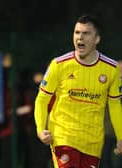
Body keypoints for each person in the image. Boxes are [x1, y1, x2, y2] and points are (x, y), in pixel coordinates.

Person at [34, 15, 122, 168]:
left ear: (97, 39)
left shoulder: (111, 69)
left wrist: (121, 136)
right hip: (63, 137)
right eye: (77, 32)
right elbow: (42, 99)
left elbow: (114, 104)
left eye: (86, 33)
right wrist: (41, 129)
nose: (80, 37)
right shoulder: (58, 65)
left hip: (93, 142)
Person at [100, 60, 122, 168]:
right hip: (108, 130)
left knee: (109, 159)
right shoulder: (109, 83)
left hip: (111, 131)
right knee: (106, 159)